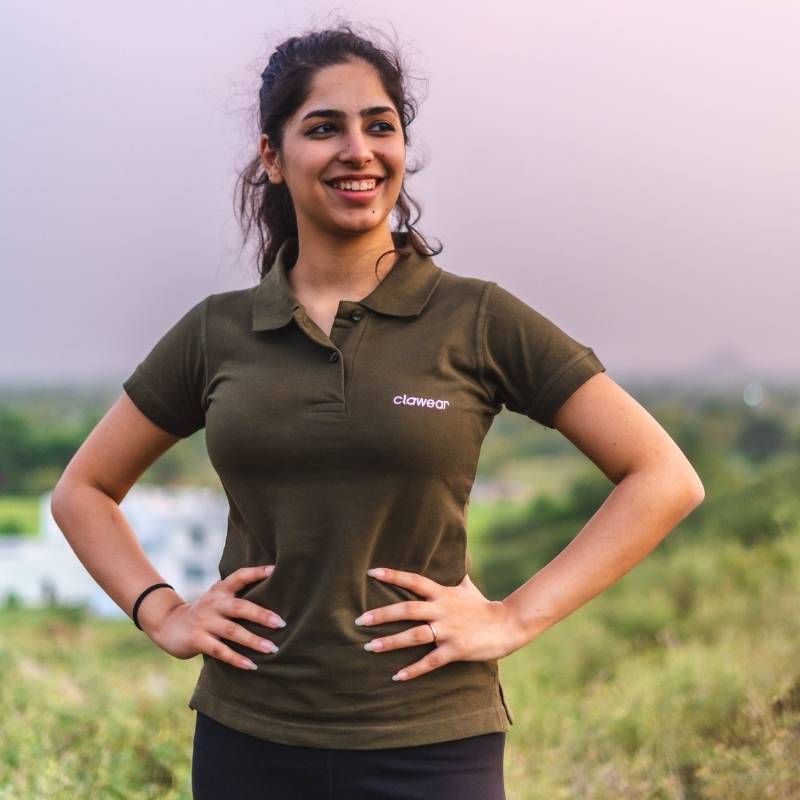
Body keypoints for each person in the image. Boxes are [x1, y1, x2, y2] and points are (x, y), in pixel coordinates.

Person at [51, 21, 705, 800]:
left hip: (432, 743)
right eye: (324, 127)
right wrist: (163, 613)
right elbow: (83, 491)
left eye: (380, 125)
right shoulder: (216, 331)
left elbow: (662, 476)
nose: (358, 150)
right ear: (272, 156)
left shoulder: (476, 318)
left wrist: (514, 617)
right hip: (248, 740)